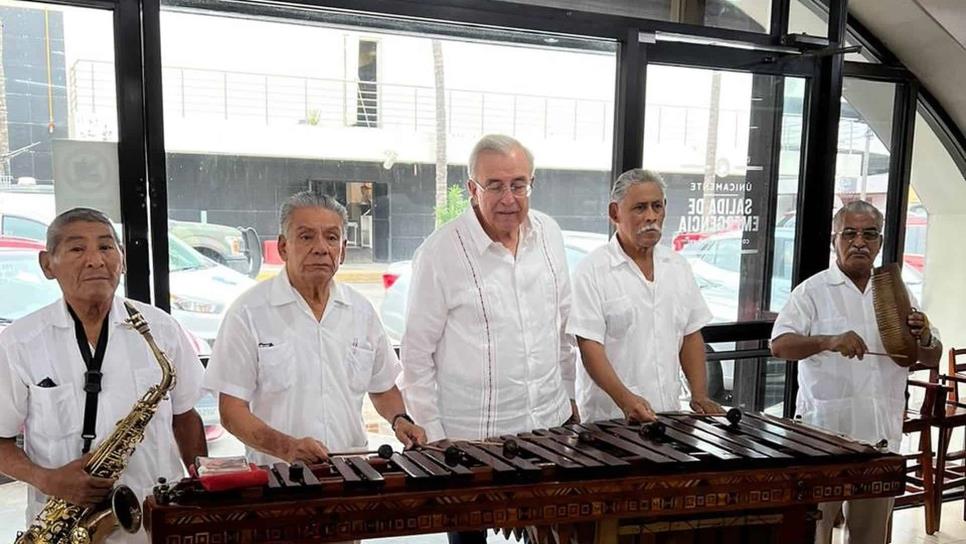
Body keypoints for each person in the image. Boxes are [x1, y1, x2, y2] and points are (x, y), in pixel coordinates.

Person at [398, 134, 577, 544]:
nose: (508, 197)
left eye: (518, 184)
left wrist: (569, 398)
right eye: (494, 185)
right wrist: (434, 436)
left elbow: (563, 324)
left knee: (552, 536)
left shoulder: (549, 234)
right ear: (472, 190)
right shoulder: (439, 253)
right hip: (470, 443)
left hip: (547, 427)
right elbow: (417, 353)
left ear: (531, 183)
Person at [0, 207, 206, 543]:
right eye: (77, 248)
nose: (96, 260)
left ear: (122, 259)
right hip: (62, 526)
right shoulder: (19, 342)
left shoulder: (161, 329)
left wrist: (201, 488)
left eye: (106, 247)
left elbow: (185, 418)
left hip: (154, 521)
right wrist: (48, 480)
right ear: (47, 264)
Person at [205, 191, 425, 469]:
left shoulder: (362, 311)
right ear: (283, 247)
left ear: (342, 250)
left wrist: (400, 420)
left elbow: (382, 389)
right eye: (307, 236)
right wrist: (286, 447)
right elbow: (231, 411)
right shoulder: (248, 313)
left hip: (352, 470)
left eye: (331, 237)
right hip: (278, 475)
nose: (321, 248)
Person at [771, 200, 942, 544]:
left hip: (880, 435)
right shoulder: (813, 290)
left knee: (870, 536)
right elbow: (779, 345)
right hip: (823, 437)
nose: (859, 242)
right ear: (835, 240)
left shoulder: (897, 292)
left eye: (869, 234)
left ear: (879, 243)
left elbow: (932, 354)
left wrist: (922, 333)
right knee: (814, 532)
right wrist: (828, 340)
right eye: (849, 234)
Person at [568, 169, 721, 423]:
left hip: (668, 415)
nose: (651, 216)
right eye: (640, 208)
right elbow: (589, 347)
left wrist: (700, 394)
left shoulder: (678, 267)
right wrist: (626, 400)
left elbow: (691, 334)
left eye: (657, 206)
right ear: (614, 213)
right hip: (611, 420)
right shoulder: (592, 271)